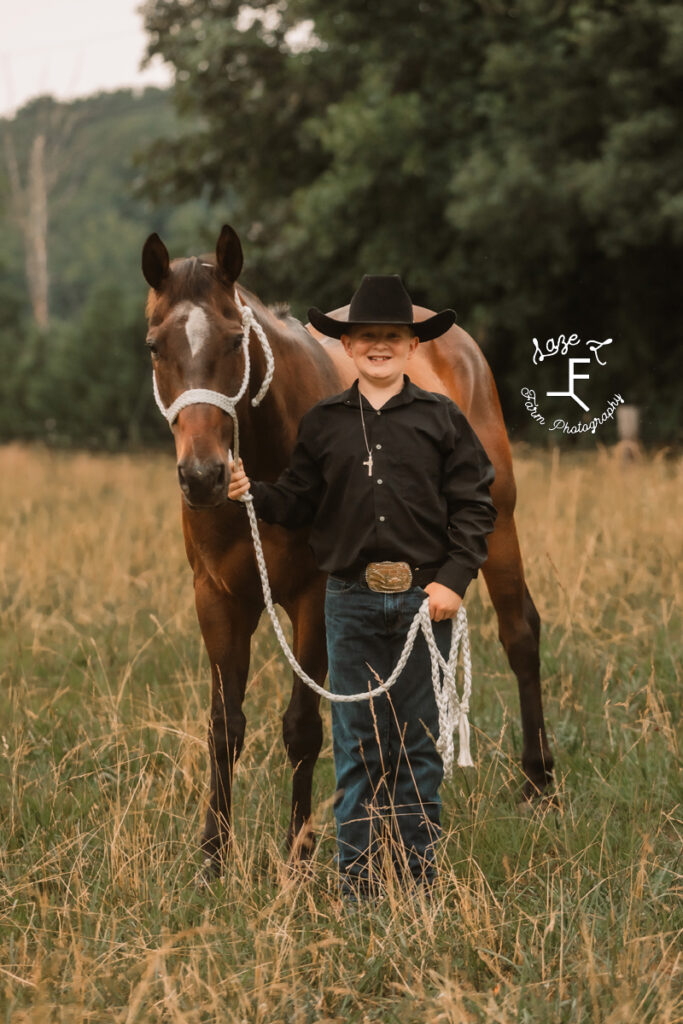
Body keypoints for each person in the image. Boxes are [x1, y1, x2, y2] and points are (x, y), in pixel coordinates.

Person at [228, 275, 497, 899]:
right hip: (347, 603)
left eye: (392, 338)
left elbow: (474, 503)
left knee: (416, 748)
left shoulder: (442, 419)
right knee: (356, 747)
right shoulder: (323, 425)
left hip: (424, 603)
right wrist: (254, 494)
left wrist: (454, 580)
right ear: (346, 347)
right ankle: (358, 885)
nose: (379, 347)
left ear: (410, 347)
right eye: (366, 338)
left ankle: (417, 880)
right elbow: (299, 500)